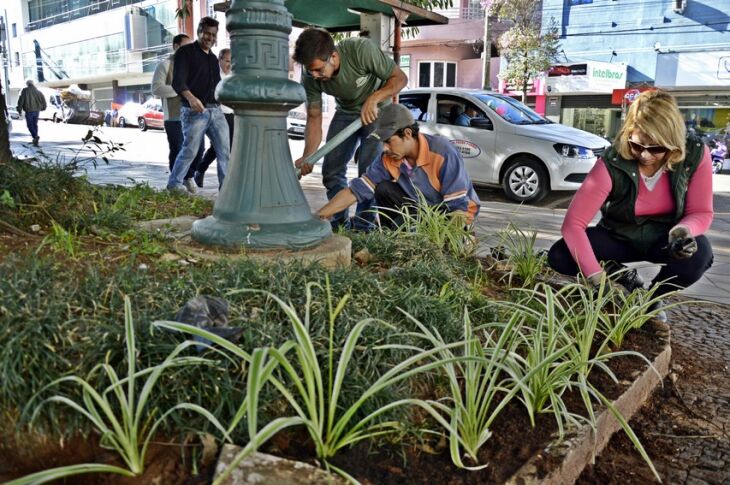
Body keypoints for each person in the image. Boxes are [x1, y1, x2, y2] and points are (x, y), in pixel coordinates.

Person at [547, 90, 714, 322]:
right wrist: (598, 280)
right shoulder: (613, 161)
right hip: (619, 236)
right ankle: (622, 276)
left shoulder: (695, 154)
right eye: (637, 145)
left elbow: (701, 212)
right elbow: (573, 225)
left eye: (656, 148)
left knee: (700, 255)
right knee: (560, 254)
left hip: (664, 239)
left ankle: (652, 297)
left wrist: (683, 231)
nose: (645, 155)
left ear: (673, 142)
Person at [293, 27, 408, 230]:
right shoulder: (311, 77)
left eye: (319, 70)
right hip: (346, 112)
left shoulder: (360, 50)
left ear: (334, 56)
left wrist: (374, 98)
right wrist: (308, 156)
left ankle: (364, 229)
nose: (315, 75)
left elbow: (400, 78)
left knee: (369, 172)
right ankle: (339, 224)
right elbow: (314, 116)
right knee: (331, 171)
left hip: (377, 111)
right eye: (310, 71)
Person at [317, 104, 480, 229]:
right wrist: (320, 215)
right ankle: (397, 240)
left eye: (388, 141)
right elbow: (356, 190)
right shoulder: (388, 158)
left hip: (456, 215)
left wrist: (441, 242)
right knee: (383, 188)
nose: (385, 148)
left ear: (408, 134)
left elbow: (459, 209)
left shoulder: (443, 152)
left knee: (438, 236)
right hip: (423, 210)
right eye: (382, 143)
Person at [166, 17, 230, 194]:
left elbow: (216, 85)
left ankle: (226, 190)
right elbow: (178, 83)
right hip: (194, 112)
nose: (210, 38)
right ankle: (174, 184)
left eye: (213, 35)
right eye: (207, 33)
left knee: (224, 151)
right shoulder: (185, 53)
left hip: (216, 111)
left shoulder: (212, 59)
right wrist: (192, 99)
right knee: (190, 150)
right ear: (199, 32)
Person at [152, 33, 204, 193]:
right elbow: (156, 89)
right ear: (176, 47)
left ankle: (188, 176)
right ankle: (176, 183)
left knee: (199, 149)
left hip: (194, 115)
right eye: (185, 46)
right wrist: (181, 90)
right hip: (173, 116)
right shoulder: (165, 65)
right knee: (178, 148)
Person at [194, 48, 234, 188]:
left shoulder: (234, 75)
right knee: (221, 148)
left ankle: (200, 170)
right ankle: (223, 184)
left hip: (232, 114)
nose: (230, 65)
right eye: (228, 61)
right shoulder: (214, 74)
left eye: (232, 61)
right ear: (220, 60)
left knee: (224, 148)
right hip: (217, 113)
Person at [16, 79, 47, 146]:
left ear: (27, 84)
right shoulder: (38, 91)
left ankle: (35, 136)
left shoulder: (25, 90)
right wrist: (44, 107)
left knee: (30, 125)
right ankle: (35, 137)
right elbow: (43, 100)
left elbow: (21, 100)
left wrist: (19, 109)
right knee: (35, 124)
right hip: (37, 110)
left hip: (29, 110)